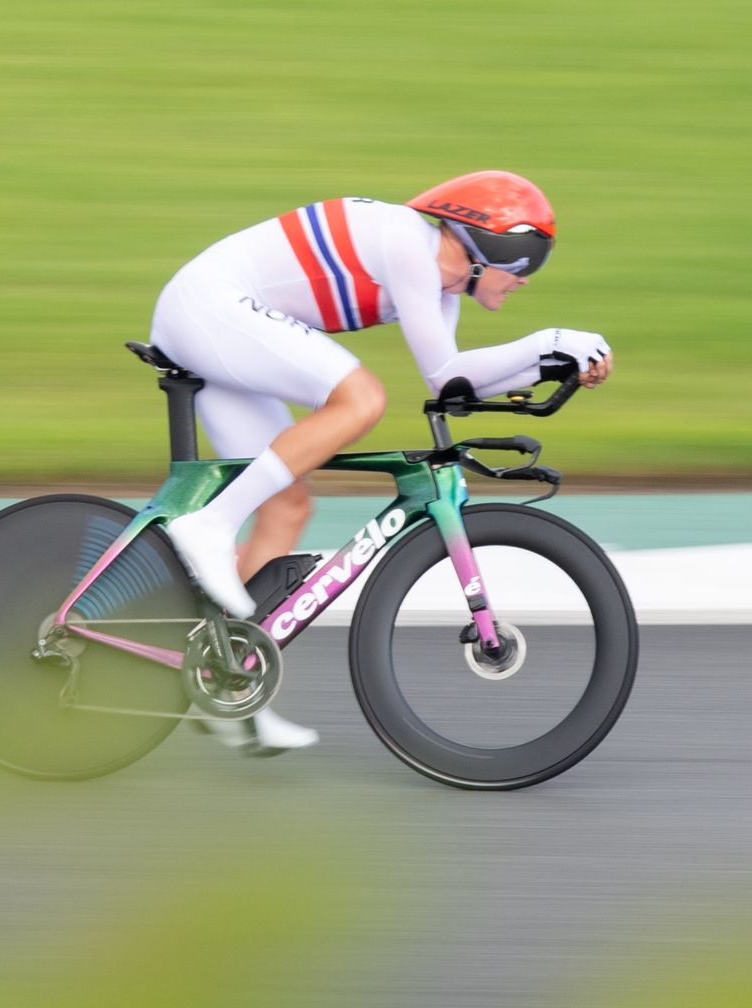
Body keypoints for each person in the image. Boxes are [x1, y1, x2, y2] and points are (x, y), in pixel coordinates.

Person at [146, 170, 614, 754]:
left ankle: (224, 681)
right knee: (361, 398)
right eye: (525, 264)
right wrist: (551, 340)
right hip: (209, 308)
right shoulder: (409, 245)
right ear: (490, 245)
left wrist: (554, 364)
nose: (524, 280)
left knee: (287, 507)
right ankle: (208, 525)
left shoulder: (440, 290)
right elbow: (448, 374)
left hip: (217, 319)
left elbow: (451, 381)